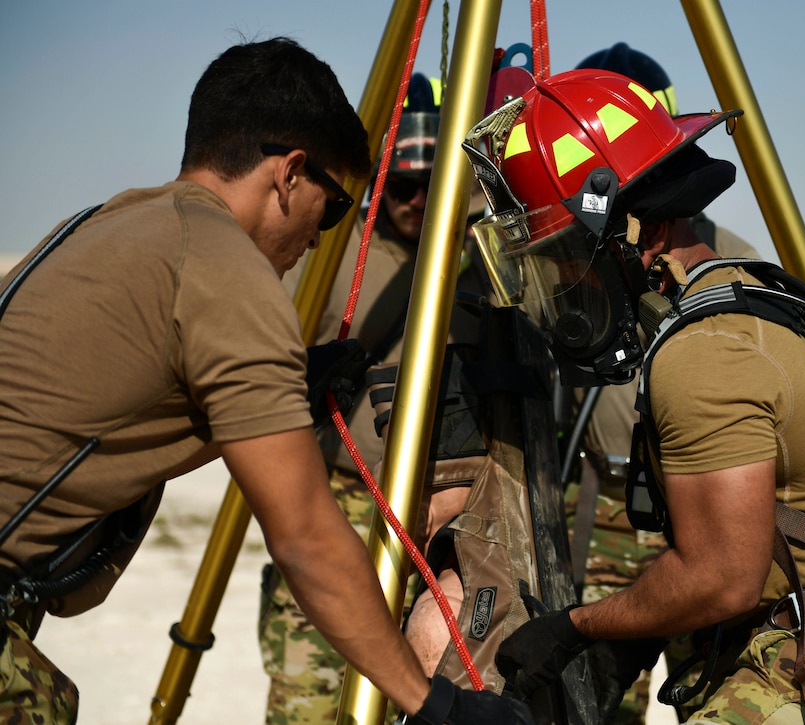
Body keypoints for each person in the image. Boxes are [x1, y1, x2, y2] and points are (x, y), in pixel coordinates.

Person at [0, 38, 529, 725]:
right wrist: (436, 704)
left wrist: (284, 390)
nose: (319, 239)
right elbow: (305, 537)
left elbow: (106, 423)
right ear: (290, 173)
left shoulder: (108, 221)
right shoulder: (228, 270)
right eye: (335, 207)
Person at [463, 68, 805, 723]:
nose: (570, 277)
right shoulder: (741, 290)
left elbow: (720, 576)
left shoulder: (702, 352)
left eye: (569, 252)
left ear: (632, 227)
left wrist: (579, 626)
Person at [266, 73, 532, 723]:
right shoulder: (330, 252)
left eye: (432, 186)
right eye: (404, 185)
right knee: (311, 702)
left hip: (445, 521)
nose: (416, 201)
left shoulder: (483, 257)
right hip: (339, 503)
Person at [564, 43, 762, 723]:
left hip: (708, 514)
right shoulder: (576, 265)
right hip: (602, 511)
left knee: (716, 696)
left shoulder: (733, 262)